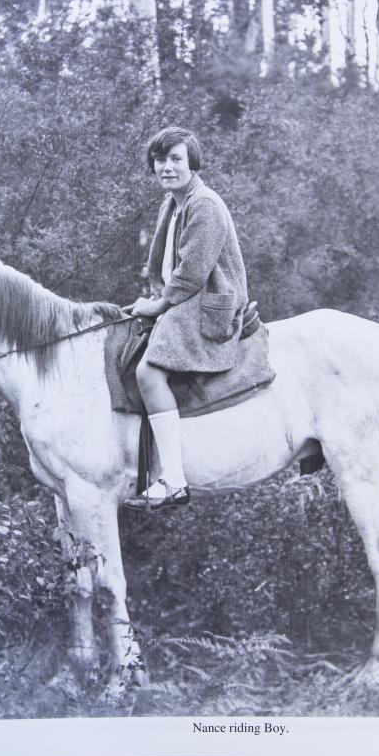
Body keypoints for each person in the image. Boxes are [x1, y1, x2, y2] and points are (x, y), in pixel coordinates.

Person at [123, 126, 250, 512]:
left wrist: (158, 305)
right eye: (160, 160)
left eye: (176, 159)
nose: (166, 167)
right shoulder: (173, 203)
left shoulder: (204, 204)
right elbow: (163, 267)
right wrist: (154, 298)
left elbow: (193, 272)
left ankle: (174, 479)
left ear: (191, 162)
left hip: (208, 302)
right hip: (185, 296)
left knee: (147, 372)